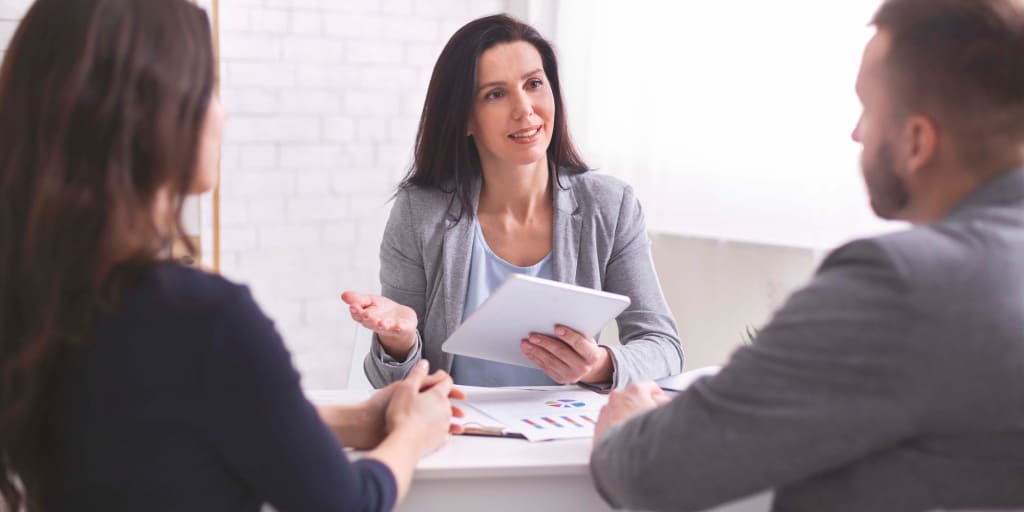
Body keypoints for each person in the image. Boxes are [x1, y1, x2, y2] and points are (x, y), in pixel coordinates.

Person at [0, 1, 463, 510]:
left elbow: (168, 426)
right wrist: (413, 435)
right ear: (152, 117)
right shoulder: (203, 321)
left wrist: (358, 421)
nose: (223, 111)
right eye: (207, 89)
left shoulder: (37, 294)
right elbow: (346, 502)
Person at [589, 0, 1024, 510]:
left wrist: (627, 424)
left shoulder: (903, 283)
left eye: (868, 108)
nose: (857, 133)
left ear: (917, 141)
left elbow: (652, 473)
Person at [341, 14, 683, 389]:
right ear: (465, 119)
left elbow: (663, 347)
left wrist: (599, 364)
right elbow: (390, 385)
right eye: (496, 94)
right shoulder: (419, 212)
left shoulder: (610, 206)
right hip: (456, 435)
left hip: (562, 433)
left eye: (534, 84)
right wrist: (399, 340)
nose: (525, 109)